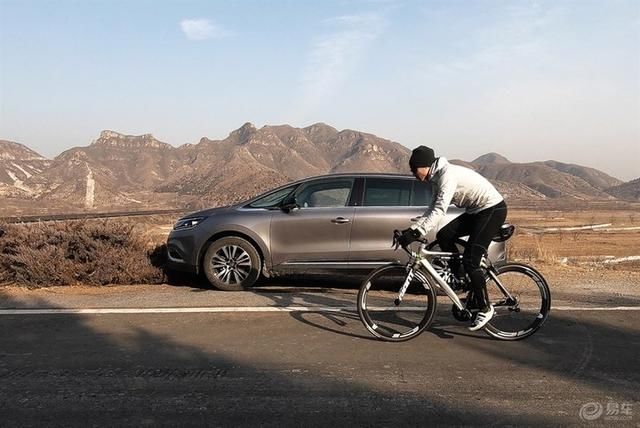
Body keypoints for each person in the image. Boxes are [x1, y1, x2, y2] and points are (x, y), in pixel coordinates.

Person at [397, 146, 508, 331]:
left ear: (424, 166)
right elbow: (431, 209)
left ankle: (485, 308)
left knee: (471, 260)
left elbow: (440, 210)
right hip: (476, 211)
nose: (414, 174)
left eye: (414, 170)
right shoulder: (436, 178)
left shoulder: (446, 176)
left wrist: (416, 234)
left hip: (492, 210)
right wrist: (411, 230)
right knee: (444, 235)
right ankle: (461, 277)